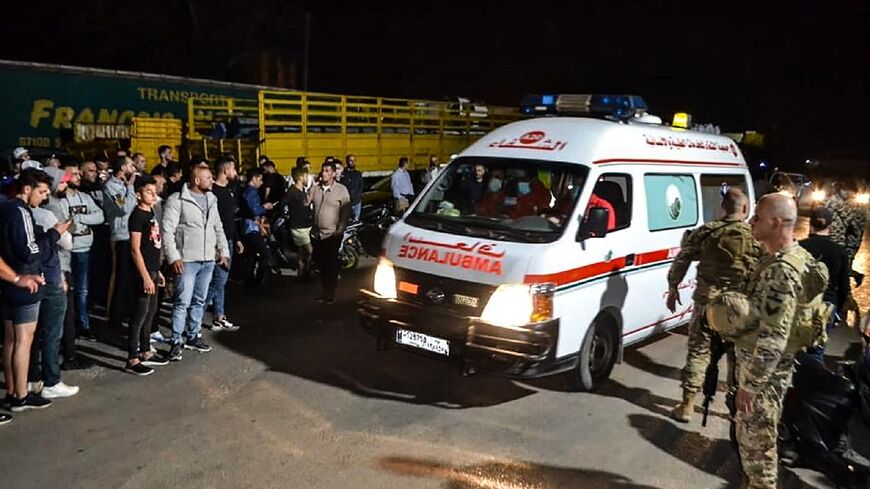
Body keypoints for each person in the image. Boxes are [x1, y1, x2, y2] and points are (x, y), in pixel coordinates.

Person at [666, 188, 762, 423]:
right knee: (737, 357)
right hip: (739, 307)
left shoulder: (707, 231)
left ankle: (688, 405)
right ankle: (734, 410)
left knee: (698, 352)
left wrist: (673, 286)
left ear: (723, 208)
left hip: (707, 303)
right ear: (746, 209)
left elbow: (683, 257)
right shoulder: (754, 236)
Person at [735, 193, 806, 489]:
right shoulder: (788, 257)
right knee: (754, 449)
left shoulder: (780, 272)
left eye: (757, 218)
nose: (751, 222)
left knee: (759, 454)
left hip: (763, 378)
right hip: (767, 372)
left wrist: (750, 385)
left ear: (776, 223)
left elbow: (774, 336)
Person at [1, 169, 70, 412]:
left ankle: (13, 391)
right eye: (41, 192)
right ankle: (21, 394)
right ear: (27, 188)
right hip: (23, 280)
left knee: (11, 340)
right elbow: (31, 250)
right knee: (23, 341)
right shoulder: (20, 211)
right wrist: (54, 234)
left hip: (9, 280)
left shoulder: (6, 208)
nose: (43, 198)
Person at [162, 165, 229, 360]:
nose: (212, 181)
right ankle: (176, 340)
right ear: (196, 180)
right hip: (187, 260)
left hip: (208, 258)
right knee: (182, 301)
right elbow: (168, 231)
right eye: (208, 178)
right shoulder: (177, 200)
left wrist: (223, 251)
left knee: (199, 300)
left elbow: (218, 228)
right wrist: (173, 256)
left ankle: (193, 336)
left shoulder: (211, 199)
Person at [29, 174, 80, 399]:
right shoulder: (47, 214)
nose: (46, 194)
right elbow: (66, 242)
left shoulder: (11, 212)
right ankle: (51, 379)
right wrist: (63, 229)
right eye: (42, 191)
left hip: (26, 277)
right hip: (49, 276)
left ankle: (30, 379)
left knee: (28, 335)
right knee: (51, 333)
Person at [47, 162, 104, 341]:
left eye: (80, 174)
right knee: (69, 291)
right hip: (68, 250)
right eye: (73, 174)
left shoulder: (85, 197)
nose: (78, 177)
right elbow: (66, 225)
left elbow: (100, 216)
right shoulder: (59, 201)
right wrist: (77, 224)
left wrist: (79, 219)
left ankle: (84, 325)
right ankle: (69, 329)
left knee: (83, 291)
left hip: (84, 249)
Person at [126, 175, 169, 376]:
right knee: (140, 315)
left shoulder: (151, 211)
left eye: (154, 192)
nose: (153, 195)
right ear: (138, 194)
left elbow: (152, 245)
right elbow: (135, 249)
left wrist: (156, 271)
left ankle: (145, 350)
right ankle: (132, 357)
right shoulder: (137, 216)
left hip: (152, 269)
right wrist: (145, 276)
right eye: (148, 192)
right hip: (142, 272)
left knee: (150, 312)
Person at [799, 206, 850, 362]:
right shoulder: (840, 251)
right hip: (826, 305)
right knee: (817, 350)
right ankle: (811, 383)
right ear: (831, 225)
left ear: (810, 223)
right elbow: (844, 286)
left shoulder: (800, 247)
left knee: (792, 346)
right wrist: (838, 311)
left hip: (802, 303)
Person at [205, 157, 242, 331]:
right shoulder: (213, 193)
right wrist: (217, 246)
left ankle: (219, 316)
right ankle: (195, 316)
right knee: (218, 280)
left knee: (221, 281)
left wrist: (237, 239)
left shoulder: (227, 190)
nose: (236, 172)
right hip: (219, 243)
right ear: (225, 170)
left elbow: (230, 219)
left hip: (229, 240)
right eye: (233, 169)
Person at [103, 156, 138, 330]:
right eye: (131, 164)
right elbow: (123, 207)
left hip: (132, 234)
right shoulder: (111, 186)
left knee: (130, 277)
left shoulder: (125, 185)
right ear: (123, 167)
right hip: (120, 235)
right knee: (119, 276)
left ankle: (126, 311)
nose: (134, 167)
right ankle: (113, 315)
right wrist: (130, 186)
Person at [309, 161, 351, 303]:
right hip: (317, 234)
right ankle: (324, 291)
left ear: (333, 173)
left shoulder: (341, 190)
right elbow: (305, 202)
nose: (324, 173)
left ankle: (330, 293)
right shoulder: (317, 189)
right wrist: (312, 187)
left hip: (332, 234)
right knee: (321, 264)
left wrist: (340, 229)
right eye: (323, 171)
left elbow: (345, 211)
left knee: (330, 264)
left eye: (327, 171)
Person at [287, 167, 313, 280]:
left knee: (302, 253)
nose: (308, 179)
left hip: (304, 225)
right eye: (307, 176)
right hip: (299, 227)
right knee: (310, 250)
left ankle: (302, 274)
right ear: (300, 178)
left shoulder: (300, 191)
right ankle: (306, 272)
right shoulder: (294, 193)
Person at [342, 154, 364, 221]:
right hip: (347, 202)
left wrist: (358, 195)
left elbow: (361, 186)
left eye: (354, 160)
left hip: (357, 202)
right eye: (350, 160)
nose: (352, 162)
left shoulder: (358, 174)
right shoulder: (344, 174)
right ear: (347, 161)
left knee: (356, 220)